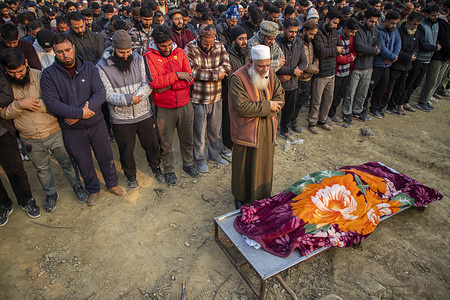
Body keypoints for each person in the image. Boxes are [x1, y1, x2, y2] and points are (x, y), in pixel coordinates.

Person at [41, 33, 126, 206]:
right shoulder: (49, 75)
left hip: (96, 123)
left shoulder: (89, 68)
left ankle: (112, 184)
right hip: (72, 129)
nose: (65, 55)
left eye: (67, 50)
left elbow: (100, 93)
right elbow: (52, 103)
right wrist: (79, 114)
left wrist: (81, 113)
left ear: (73, 48)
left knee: (106, 156)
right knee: (83, 161)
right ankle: (93, 189)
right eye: (59, 52)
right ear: (54, 53)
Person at [0, 48, 88, 212]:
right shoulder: (4, 86)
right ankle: (51, 194)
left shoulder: (42, 76)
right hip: (29, 138)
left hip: (53, 130)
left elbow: (55, 102)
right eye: (12, 73)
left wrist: (31, 103)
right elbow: (4, 113)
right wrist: (18, 105)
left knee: (67, 162)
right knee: (42, 169)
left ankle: (77, 186)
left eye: (20, 71)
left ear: (26, 63)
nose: (17, 76)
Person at [97, 30, 164, 189]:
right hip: (121, 118)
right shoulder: (101, 66)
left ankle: (156, 168)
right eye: (122, 52)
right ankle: (131, 176)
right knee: (126, 150)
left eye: (128, 51)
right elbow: (106, 93)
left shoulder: (139, 59)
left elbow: (147, 83)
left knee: (152, 145)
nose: (126, 55)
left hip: (143, 113)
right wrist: (128, 100)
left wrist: (137, 97)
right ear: (113, 48)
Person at [228, 44, 284, 208]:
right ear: (251, 61)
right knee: (243, 166)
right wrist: (269, 107)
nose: (264, 69)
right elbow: (242, 107)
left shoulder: (271, 73)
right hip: (247, 130)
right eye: (261, 66)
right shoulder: (238, 78)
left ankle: (262, 197)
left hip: (267, 128)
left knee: (264, 165)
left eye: (267, 65)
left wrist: (273, 106)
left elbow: (280, 96)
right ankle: (240, 197)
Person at [143, 25, 198, 186]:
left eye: (168, 45)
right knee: (165, 142)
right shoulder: (148, 57)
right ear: (156, 43)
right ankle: (169, 170)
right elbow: (154, 83)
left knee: (187, 138)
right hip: (164, 108)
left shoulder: (180, 53)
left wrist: (169, 84)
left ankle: (188, 164)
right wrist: (177, 75)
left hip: (185, 104)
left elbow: (190, 78)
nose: (167, 49)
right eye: (163, 46)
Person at [185, 24, 231, 173]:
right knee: (199, 132)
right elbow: (193, 72)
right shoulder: (190, 48)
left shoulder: (219, 46)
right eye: (206, 43)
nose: (208, 46)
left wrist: (210, 73)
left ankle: (215, 155)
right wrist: (216, 74)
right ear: (200, 37)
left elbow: (227, 66)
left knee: (215, 130)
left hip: (217, 96)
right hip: (198, 98)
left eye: (211, 42)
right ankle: (200, 158)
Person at [0, 62, 40, 225]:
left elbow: (6, 96)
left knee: (15, 168)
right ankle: (3, 204)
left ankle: (26, 200)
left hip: (1, 131)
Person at [341, 7, 381, 124]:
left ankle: (357, 111)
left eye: (375, 22)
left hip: (368, 66)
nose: (373, 24)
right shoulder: (357, 30)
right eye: (371, 21)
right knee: (350, 91)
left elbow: (379, 45)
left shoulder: (375, 31)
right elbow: (358, 47)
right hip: (356, 66)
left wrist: (370, 50)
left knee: (362, 92)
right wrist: (373, 50)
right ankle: (347, 112)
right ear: (364, 19)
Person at [309, 9, 343, 134]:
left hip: (331, 71)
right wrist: (334, 50)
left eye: (337, 24)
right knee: (316, 100)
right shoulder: (317, 33)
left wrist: (331, 50)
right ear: (327, 20)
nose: (335, 26)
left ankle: (322, 120)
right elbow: (320, 52)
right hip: (321, 72)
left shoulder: (334, 33)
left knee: (328, 99)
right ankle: (312, 122)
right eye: (334, 23)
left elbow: (341, 48)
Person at [275, 18, 307, 140]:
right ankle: (272, 131)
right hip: (279, 84)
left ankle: (284, 129)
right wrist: (292, 71)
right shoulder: (276, 43)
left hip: (292, 83)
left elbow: (304, 62)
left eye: (295, 32)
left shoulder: (299, 43)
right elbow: (276, 66)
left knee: (289, 109)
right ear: (283, 30)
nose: (293, 34)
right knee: (275, 110)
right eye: (290, 31)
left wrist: (292, 74)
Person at [384, 12, 421, 115]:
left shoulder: (416, 33)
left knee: (400, 88)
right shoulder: (399, 31)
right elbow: (397, 48)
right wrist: (408, 57)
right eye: (414, 24)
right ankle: (383, 106)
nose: (415, 27)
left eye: (417, 25)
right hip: (397, 63)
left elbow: (416, 47)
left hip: (407, 65)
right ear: (408, 21)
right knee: (389, 87)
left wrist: (413, 55)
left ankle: (393, 106)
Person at [367, 10, 401, 118]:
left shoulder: (395, 31)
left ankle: (375, 108)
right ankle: (363, 109)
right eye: (392, 23)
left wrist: (393, 57)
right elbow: (381, 48)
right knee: (370, 88)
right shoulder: (378, 31)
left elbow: (398, 44)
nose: (394, 26)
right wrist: (391, 57)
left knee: (382, 88)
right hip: (378, 65)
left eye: (395, 23)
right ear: (386, 21)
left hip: (388, 65)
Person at [223, 25, 250, 159]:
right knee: (229, 121)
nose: (244, 42)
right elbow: (231, 77)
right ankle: (227, 146)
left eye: (245, 38)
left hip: (246, 94)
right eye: (240, 39)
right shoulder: (227, 56)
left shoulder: (247, 53)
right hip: (230, 95)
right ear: (233, 41)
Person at [291, 19, 320, 133]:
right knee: (292, 104)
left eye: (314, 34)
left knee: (299, 104)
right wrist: (314, 69)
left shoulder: (310, 42)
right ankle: (287, 124)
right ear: (304, 30)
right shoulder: (297, 42)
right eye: (311, 33)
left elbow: (315, 58)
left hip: (308, 79)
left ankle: (294, 122)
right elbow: (301, 63)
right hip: (298, 79)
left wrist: (315, 67)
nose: (312, 36)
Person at [328, 17, 358, 123]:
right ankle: (327, 114)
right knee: (332, 95)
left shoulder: (351, 38)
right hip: (336, 72)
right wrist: (350, 58)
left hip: (346, 71)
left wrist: (349, 57)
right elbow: (338, 58)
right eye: (351, 32)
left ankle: (332, 113)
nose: (353, 34)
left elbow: (354, 51)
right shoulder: (337, 36)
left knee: (340, 95)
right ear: (345, 28)